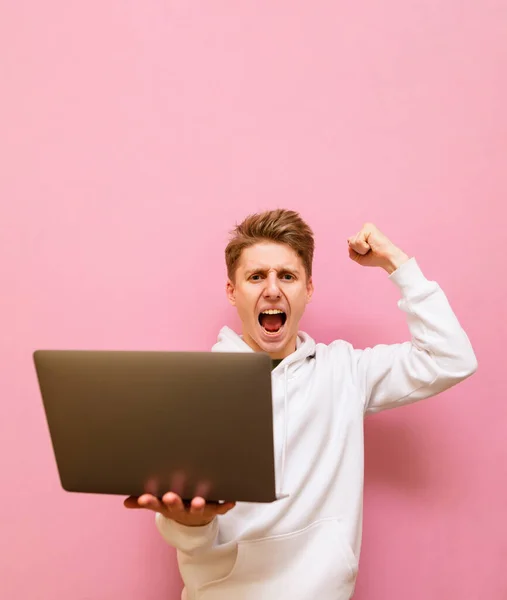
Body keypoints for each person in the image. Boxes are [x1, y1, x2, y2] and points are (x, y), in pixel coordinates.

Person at [124, 209, 477, 600]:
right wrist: (189, 524)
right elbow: (182, 524)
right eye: (256, 276)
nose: (272, 289)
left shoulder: (346, 371)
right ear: (232, 291)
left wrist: (397, 263)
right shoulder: (195, 390)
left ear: (308, 290)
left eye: (287, 276)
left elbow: (451, 358)